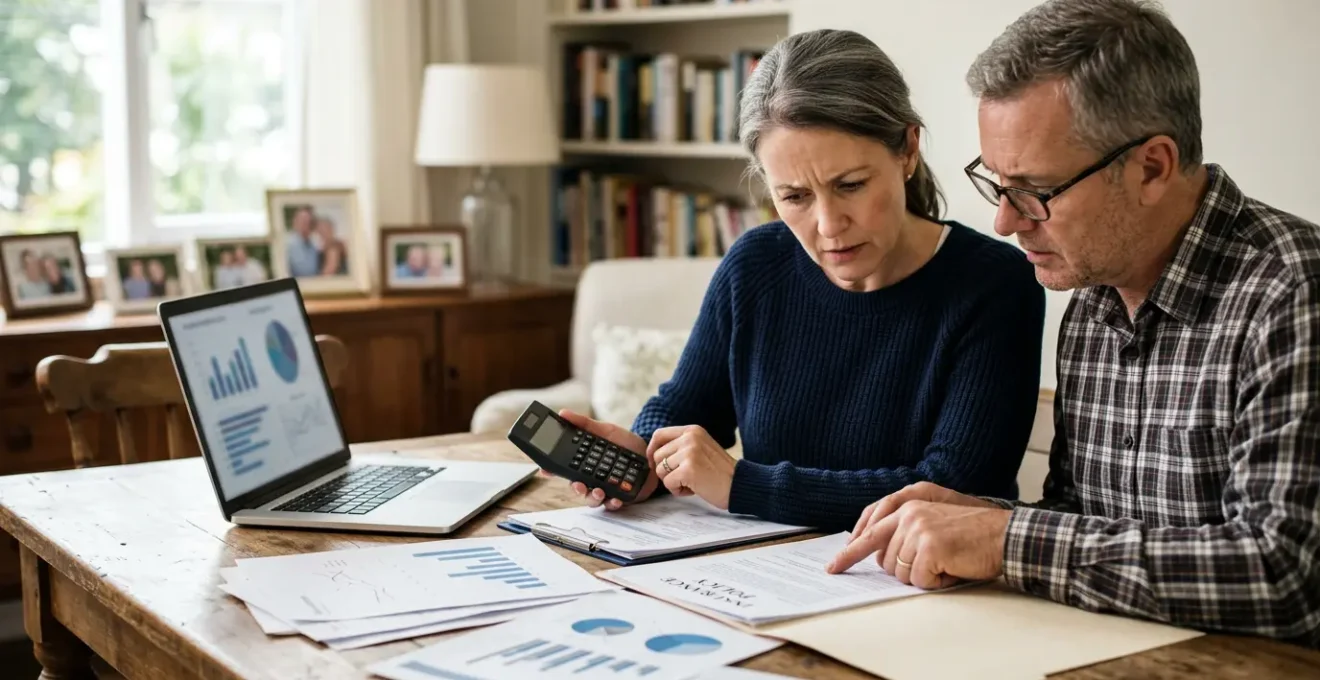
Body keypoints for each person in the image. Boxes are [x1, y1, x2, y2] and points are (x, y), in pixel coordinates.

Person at [828, 0, 1320, 648]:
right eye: (995, 184)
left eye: (1034, 190)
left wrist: (1004, 538)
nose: (1005, 222)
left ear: (1152, 166)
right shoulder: (1091, 301)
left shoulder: (1294, 295)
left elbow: (1285, 577)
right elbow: (1082, 530)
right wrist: (979, 519)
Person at [546, 29, 1046, 532]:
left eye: (849, 185)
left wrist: (744, 485)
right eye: (794, 197)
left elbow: (954, 489)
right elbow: (685, 407)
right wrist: (647, 456)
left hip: (926, 586)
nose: (828, 226)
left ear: (908, 150)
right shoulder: (757, 263)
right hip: (764, 573)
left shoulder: (995, 285)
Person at [285, 206, 321, 277]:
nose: (305, 225)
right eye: (302, 221)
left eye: (308, 222)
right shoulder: (288, 244)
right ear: (295, 222)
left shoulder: (314, 244)